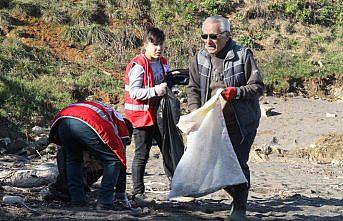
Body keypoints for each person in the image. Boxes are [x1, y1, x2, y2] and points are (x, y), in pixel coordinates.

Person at [187, 16, 265, 221]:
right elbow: (193, 88)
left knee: (237, 163)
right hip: (211, 122)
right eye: (204, 36)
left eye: (213, 36)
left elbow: (258, 87)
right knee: (211, 162)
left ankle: (239, 206)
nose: (208, 41)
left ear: (227, 35)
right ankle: (238, 193)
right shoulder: (200, 57)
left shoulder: (243, 55)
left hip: (241, 121)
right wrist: (196, 112)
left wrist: (236, 92)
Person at [48, 100, 132, 210]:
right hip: (87, 121)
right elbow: (120, 160)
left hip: (63, 119)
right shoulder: (122, 127)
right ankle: (105, 202)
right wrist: (120, 194)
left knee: (73, 160)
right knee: (113, 160)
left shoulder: (108, 113)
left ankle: (77, 201)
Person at [124, 27, 170, 205]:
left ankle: (176, 185)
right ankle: (138, 193)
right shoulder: (138, 65)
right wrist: (155, 91)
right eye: (155, 45)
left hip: (158, 114)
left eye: (161, 45)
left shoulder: (162, 62)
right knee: (142, 154)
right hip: (141, 117)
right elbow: (135, 92)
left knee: (168, 150)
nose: (158, 49)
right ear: (146, 44)